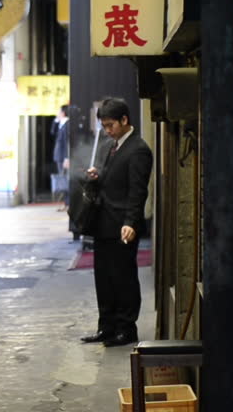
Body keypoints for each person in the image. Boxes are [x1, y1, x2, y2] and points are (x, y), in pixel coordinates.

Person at [80, 98, 153, 347]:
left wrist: (132, 221)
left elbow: (137, 190)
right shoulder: (112, 146)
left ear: (125, 120)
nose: (107, 130)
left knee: (123, 278)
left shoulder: (138, 149)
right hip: (104, 223)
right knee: (104, 278)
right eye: (104, 126)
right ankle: (106, 326)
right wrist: (97, 176)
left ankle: (126, 328)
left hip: (122, 225)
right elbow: (113, 179)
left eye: (110, 125)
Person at [50, 104, 70, 209]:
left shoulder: (67, 124)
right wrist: (56, 121)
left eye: (58, 111)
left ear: (63, 113)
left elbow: (67, 142)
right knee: (63, 180)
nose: (57, 113)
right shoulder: (61, 123)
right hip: (59, 156)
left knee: (65, 180)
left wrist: (67, 158)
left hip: (63, 157)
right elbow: (52, 132)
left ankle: (68, 204)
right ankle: (66, 204)